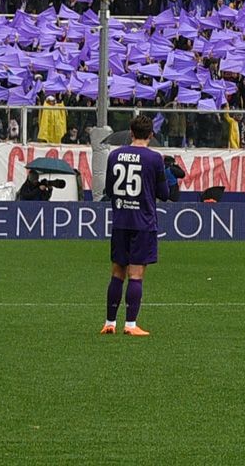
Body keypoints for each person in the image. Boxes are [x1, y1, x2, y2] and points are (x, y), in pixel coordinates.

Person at [102, 115, 170, 336]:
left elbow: (109, 190)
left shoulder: (114, 155)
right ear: (151, 134)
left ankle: (109, 322)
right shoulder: (154, 159)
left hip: (121, 220)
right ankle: (130, 325)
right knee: (136, 274)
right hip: (143, 221)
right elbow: (164, 193)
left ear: (131, 132)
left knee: (117, 272)